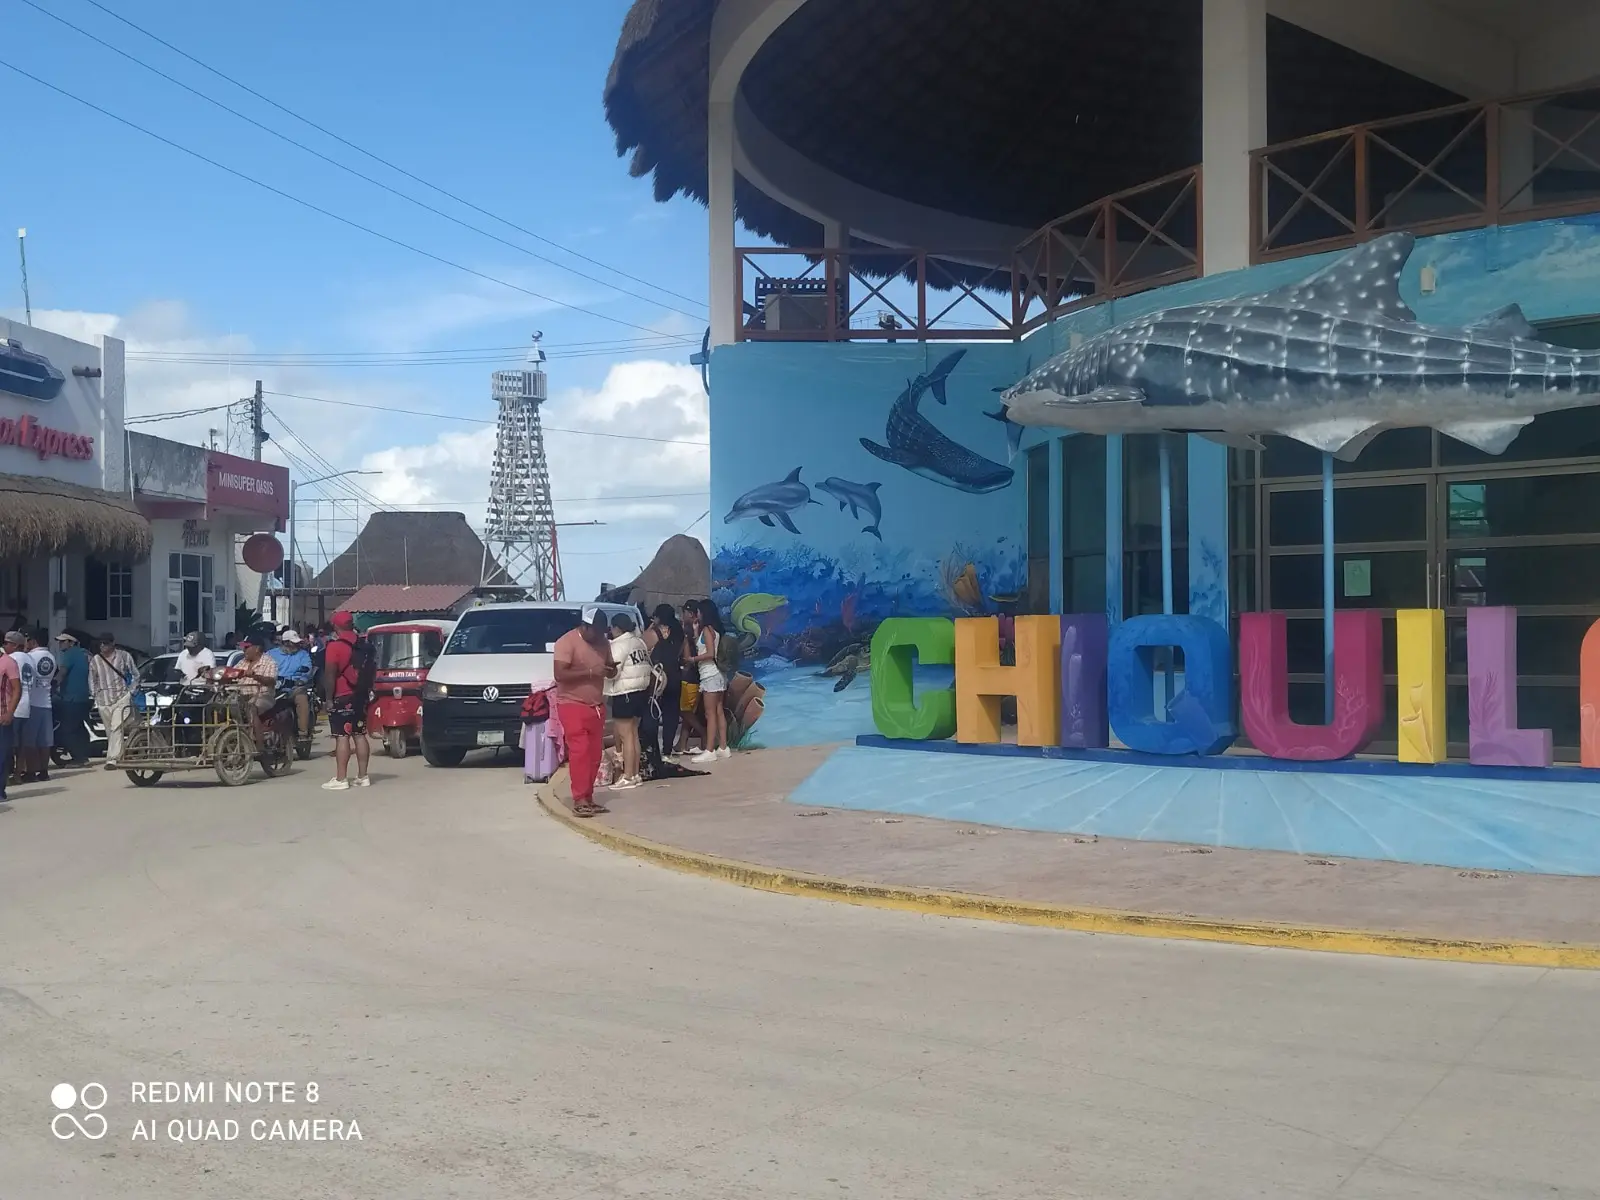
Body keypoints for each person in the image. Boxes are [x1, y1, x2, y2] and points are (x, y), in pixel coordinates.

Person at [553, 612, 615, 817]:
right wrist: (589, 673)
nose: (599, 636)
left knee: (595, 754)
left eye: (601, 632)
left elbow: (608, 667)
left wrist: (611, 671)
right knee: (580, 752)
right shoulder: (566, 642)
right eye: (595, 631)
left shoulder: (603, 642)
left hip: (596, 706)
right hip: (571, 704)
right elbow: (560, 674)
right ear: (585, 627)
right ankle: (579, 799)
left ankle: (588, 797)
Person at [321, 611, 371, 791]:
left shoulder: (335, 646)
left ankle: (341, 778)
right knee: (359, 734)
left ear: (336, 626)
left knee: (342, 737)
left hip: (342, 696)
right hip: (361, 695)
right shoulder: (363, 643)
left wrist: (328, 699)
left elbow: (330, 675)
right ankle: (363, 776)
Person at [603, 612, 653, 791]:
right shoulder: (639, 642)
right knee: (633, 734)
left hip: (624, 692)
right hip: (641, 692)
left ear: (616, 628)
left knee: (626, 736)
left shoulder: (619, 645)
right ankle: (636, 774)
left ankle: (628, 776)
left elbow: (613, 671)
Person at [687, 599, 731, 763]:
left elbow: (710, 653)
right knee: (718, 711)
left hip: (709, 675)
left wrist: (693, 659)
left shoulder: (707, 630)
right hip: (718, 675)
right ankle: (723, 747)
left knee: (710, 713)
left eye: (698, 611)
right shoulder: (714, 630)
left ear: (703, 612)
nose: (696, 614)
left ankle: (710, 749)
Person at [642, 605, 685, 767]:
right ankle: (667, 751)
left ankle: (653, 751)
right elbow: (681, 651)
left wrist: (651, 626)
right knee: (671, 714)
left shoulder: (654, 632)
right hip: (674, 674)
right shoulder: (679, 630)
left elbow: (643, 648)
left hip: (658, 676)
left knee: (653, 712)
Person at [88, 633, 138, 762]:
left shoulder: (124, 656)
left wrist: (131, 692)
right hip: (103, 700)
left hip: (121, 697)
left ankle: (112, 759)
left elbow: (135, 675)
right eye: (101, 643)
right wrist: (95, 694)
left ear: (112, 643)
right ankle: (120, 755)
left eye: (105, 643)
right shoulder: (95, 660)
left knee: (116, 727)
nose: (102, 646)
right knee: (110, 731)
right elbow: (92, 679)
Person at [19, 629, 55, 782]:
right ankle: (44, 771)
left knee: (30, 741)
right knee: (45, 741)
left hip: (31, 703)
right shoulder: (52, 658)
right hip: (46, 703)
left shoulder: (29, 658)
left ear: (33, 641)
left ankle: (31, 772)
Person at [267, 628, 315, 743]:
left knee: (301, 699)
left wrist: (302, 680)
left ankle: (303, 733)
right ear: (285, 643)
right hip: (275, 688)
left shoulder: (303, 654)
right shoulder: (271, 654)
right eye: (294, 643)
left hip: (294, 687)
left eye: (297, 643)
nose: (296, 646)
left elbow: (307, 669)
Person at [53, 631, 93, 767]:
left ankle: (78, 759)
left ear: (71, 642)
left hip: (71, 698)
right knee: (79, 728)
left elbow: (62, 673)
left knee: (67, 730)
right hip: (85, 697)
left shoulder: (70, 654)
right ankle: (83, 756)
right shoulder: (86, 654)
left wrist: (53, 684)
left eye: (63, 641)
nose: (60, 644)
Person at [3, 631, 34, 784]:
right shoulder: (30, 658)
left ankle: (7, 775)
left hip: (12, 706)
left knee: (7, 745)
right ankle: (17, 774)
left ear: (14, 645)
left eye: (6, 643)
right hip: (26, 705)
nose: (4, 646)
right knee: (21, 744)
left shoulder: (11, 659)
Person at [0, 633, 21, 798]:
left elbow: (16, 689)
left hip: (2, 716)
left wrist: (10, 712)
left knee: (2, 755)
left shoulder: (8, 662)